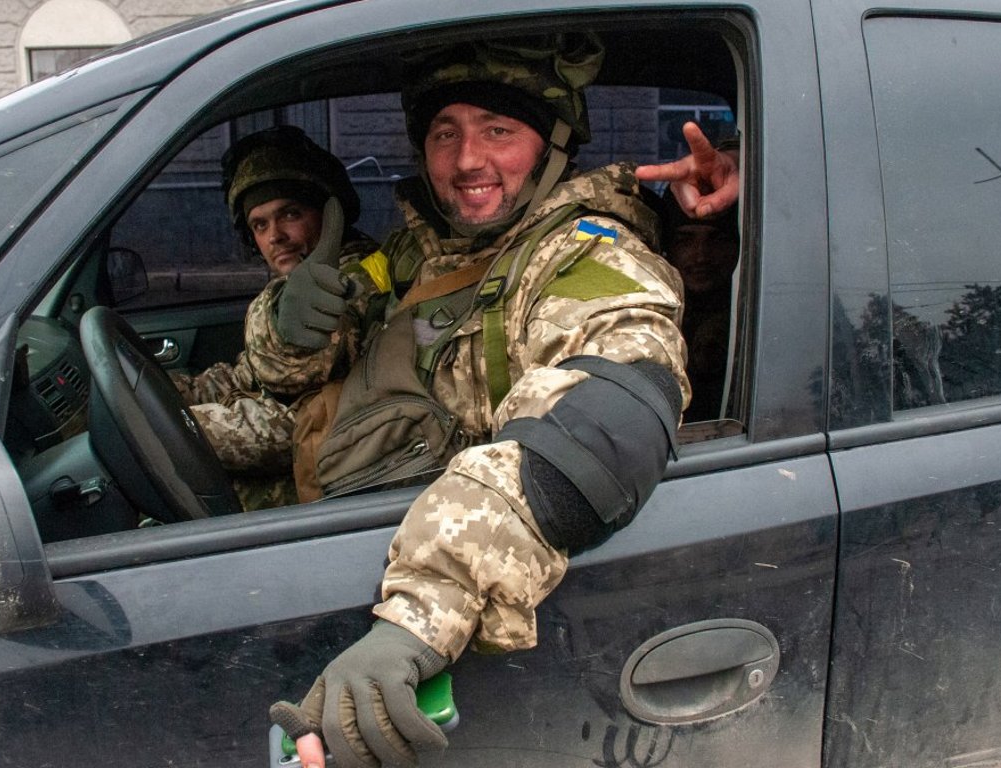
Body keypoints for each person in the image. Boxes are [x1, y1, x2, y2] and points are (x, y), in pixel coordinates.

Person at [249, 34, 741, 768]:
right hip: (343, 503)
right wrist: (285, 324)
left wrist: (420, 620)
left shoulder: (586, 254)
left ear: (550, 144)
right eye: (445, 134)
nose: (467, 161)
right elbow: (335, 324)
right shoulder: (423, 250)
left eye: (499, 131)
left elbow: (604, 422)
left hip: (435, 586)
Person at [172, 125, 377, 510]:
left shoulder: (357, 276)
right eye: (260, 225)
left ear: (328, 215)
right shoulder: (297, 281)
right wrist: (171, 392)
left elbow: (302, 377)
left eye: (291, 214)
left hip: (328, 464)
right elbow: (247, 376)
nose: (275, 236)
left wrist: (180, 430)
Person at [660, 192, 741, 423]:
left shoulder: (752, 321)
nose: (700, 256)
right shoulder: (651, 315)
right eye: (685, 240)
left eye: (717, 240)